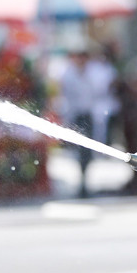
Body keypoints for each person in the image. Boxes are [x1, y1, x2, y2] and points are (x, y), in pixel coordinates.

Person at [58, 47, 95, 197]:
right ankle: (80, 181)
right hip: (76, 116)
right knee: (78, 151)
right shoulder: (68, 74)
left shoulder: (92, 73)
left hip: (88, 115)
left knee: (87, 151)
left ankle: (85, 180)